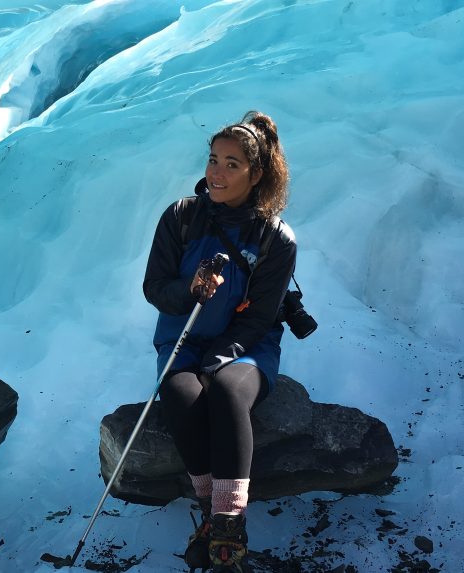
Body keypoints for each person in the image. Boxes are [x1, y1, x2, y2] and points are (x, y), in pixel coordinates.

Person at [142, 111, 296, 572]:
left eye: (232, 164)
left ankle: (227, 525)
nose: (217, 172)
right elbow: (155, 289)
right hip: (182, 338)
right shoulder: (181, 218)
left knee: (228, 390)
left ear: (257, 173)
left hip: (247, 347)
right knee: (179, 392)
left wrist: (218, 358)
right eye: (213, 159)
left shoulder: (276, 239)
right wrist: (190, 291)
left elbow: (261, 318)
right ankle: (213, 510)